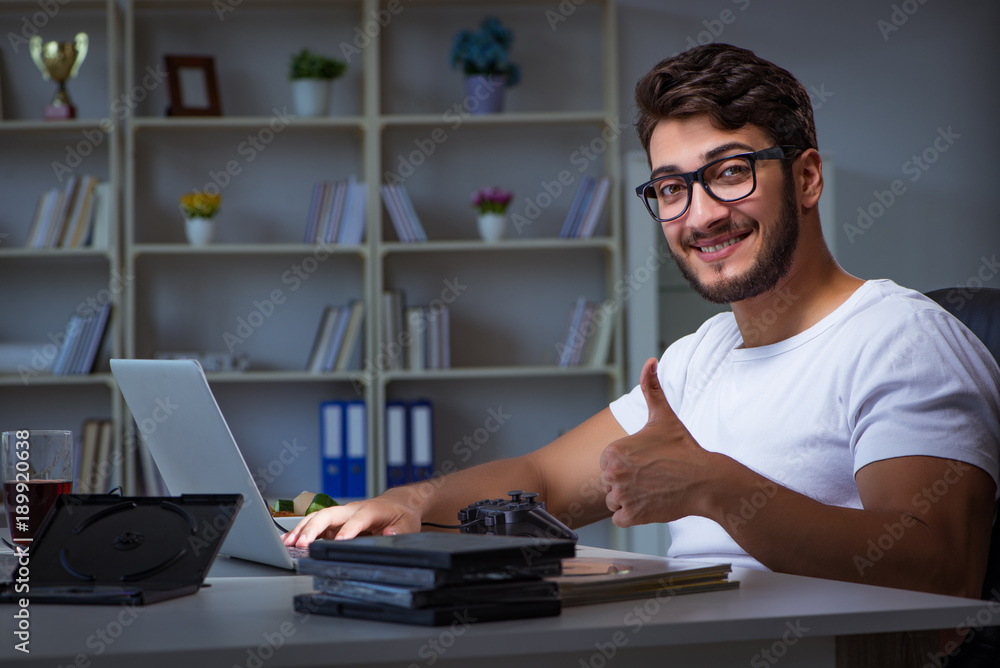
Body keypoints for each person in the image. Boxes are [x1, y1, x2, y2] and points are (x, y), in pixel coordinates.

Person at [285, 43, 1000, 598]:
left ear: (807, 178)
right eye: (670, 187)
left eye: (730, 171)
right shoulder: (703, 354)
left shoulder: (900, 337)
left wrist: (715, 487)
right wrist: (407, 505)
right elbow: (545, 481)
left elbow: (940, 568)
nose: (701, 214)